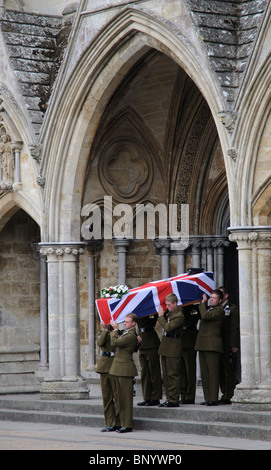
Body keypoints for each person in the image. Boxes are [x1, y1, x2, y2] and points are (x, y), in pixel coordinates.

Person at [109, 313, 138, 433]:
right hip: (117, 368)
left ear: (133, 323)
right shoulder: (126, 333)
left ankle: (127, 424)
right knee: (118, 398)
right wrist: (111, 328)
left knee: (126, 398)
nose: (124, 323)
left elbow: (115, 343)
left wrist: (115, 330)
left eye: (127, 322)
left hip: (125, 369)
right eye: (124, 321)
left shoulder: (131, 335)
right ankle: (118, 422)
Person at [195, 289, 224, 406]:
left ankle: (213, 398)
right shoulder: (210, 309)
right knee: (205, 373)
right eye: (211, 297)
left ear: (220, 300)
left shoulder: (219, 311)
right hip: (203, 343)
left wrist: (202, 303)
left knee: (212, 373)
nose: (211, 299)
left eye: (214, 298)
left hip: (212, 345)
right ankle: (207, 397)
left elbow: (205, 316)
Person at [157, 293, 185, 407]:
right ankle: (169, 398)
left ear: (175, 303)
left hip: (173, 347)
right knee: (166, 375)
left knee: (173, 374)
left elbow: (168, 327)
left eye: (169, 305)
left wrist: (160, 316)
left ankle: (174, 399)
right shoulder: (170, 313)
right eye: (166, 305)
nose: (167, 307)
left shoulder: (179, 316)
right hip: (165, 346)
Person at [96, 321, 120, 432]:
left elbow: (115, 343)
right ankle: (110, 423)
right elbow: (100, 343)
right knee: (107, 396)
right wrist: (106, 330)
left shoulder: (118, 332)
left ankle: (119, 422)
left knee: (117, 395)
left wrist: (114, 330)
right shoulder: (102, 332)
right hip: (105, 366)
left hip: (115, 365)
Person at [218, 286, 240, 404]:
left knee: (229, 370)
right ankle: (224, 393)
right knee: (221, 369)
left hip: (228, 343)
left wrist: (234, 344)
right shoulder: (217, 308)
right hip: (219, 343)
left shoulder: (232, 308)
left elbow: (234, 327)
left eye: (221, 294)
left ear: (226, 296)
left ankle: (229, 394)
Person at [137, 315, 162, 406]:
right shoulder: (137, 309)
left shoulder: (150, 309)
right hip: (142, 343)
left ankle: (155, 397)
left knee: (154, 372)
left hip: (151, 342)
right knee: (145, 373)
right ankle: (147, 397)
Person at [179, 304, 200, 404]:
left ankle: (190, 396)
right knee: (181, 371)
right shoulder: (178, 308)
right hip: (179, 340)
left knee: (190, 370)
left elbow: (196, 318)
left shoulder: (194, 309)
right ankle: (183, 394)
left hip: (190, 340)